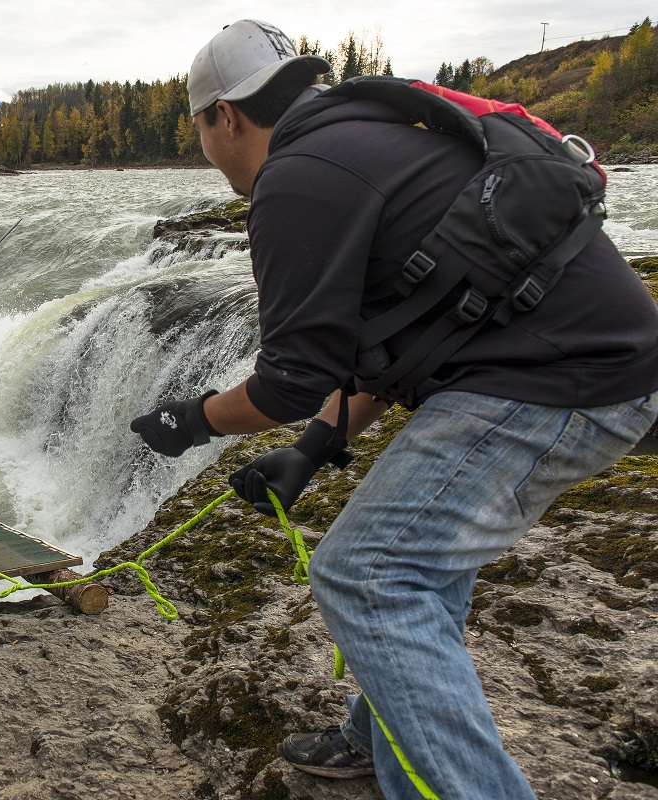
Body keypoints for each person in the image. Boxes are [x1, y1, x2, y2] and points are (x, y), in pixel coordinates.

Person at [129, 19, 658, 800]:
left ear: (224, 117)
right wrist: (311, 451)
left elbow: (288, 382)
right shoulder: (371, 136)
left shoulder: (298, 178)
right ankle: (384, 737)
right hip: (583, 365)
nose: (205, 144)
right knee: (417, 565)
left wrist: (195, 419)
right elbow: (411, 330)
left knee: (369, 572)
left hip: (556, 382)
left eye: (199, 126)